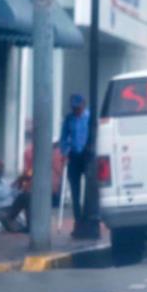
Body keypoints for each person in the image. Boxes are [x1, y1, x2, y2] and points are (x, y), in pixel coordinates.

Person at [60, 94, 90, 223]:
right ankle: (78, 218)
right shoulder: (69, 119)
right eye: (74, 108)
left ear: (83, 105)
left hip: (87, 154)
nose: (76, 110)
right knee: (74, 187)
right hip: (74, 154)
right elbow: (64, 137)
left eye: (78, 107)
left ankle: (88, 215)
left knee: (90, 186)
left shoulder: (89, 117)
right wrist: (65, 151)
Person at [0, 158, 30, 232]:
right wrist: (13, 185)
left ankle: (29, 226)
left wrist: (19, 185)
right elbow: (0, 195)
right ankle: (11, 224)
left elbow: (12, 194)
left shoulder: (2, 180)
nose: (2, 170)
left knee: (26, 196)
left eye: (2, 167)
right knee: (24, 198)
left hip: (7, 208)